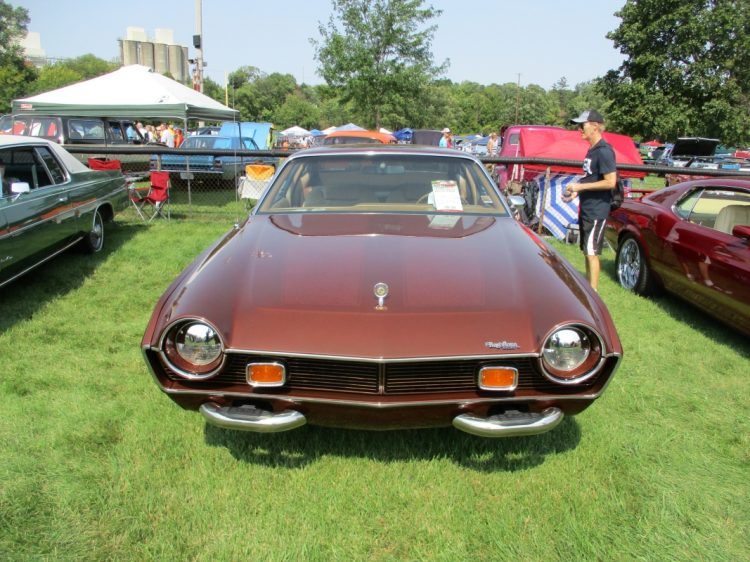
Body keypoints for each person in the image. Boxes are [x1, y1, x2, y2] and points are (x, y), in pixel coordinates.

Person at [562, 109, 617, 292]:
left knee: (592, 252)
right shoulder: (592, 150)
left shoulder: (604, 151)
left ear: (594, 126)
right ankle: (588, 289)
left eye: (582, 125)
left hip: (597, 210)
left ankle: (593, 296)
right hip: (587, 207)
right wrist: (576, 193)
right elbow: (591, 178)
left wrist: (579, 187)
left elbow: (610, 182)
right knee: (587, 250)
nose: (579, 129)